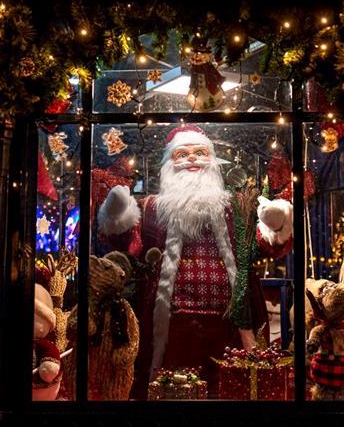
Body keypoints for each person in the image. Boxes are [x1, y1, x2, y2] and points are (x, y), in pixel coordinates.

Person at [96, 124, 293, 393]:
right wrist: (117, 214)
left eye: (200, 152)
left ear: (212, 162)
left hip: (229, 322)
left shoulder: (235, 205)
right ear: (169, 164)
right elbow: (127, 246)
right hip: (172, 321)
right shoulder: (153, 207)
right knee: (170, 386)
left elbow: (263, 246)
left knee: (231, 387)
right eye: (182, 154)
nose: (192, 158)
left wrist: (275, 224)